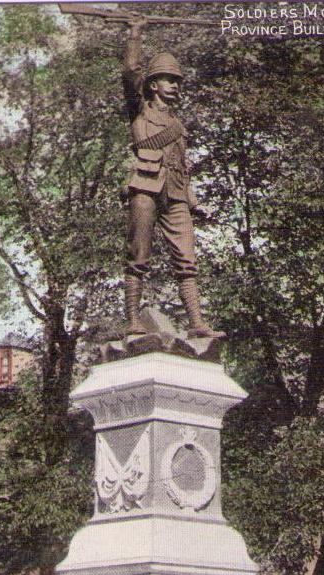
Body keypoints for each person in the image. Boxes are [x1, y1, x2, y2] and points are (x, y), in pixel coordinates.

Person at [121, 21, 224, 338]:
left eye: (178, 80)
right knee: (139, 256)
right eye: (169, 79)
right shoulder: (139, 110)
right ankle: (134, 322)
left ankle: (195, 323)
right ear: (153, 85)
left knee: (187, 259)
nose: (176, 85)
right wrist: (135, 33)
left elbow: (183, 165)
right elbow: (129, 73)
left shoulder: (178, 124)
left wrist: (192, 198)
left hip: (176, 193)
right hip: (146, 187)